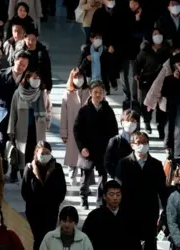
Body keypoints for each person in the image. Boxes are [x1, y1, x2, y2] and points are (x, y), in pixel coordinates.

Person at [115, 131, 167, 250]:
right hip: (129, 212)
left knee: (150, 243)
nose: (142, 145)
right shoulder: (124, 164)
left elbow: (163, 191)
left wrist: (165, 211)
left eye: (145, 142)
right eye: (138, 142)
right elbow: (118, 189)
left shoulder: (156, 165)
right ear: (132, 145)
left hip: (149, 212)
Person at [73, 80, 118, 208]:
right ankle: (84, 198)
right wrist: (82, 148)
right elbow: (77, 130)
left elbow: (114, 130)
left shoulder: (108, 110)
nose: (98, 95)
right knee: (85, 176)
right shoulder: (84, 110)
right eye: (95, 92)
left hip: (103, 149)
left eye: (100, 92)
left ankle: (100, 200)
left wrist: (111, 147)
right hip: (87, 149)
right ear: (90, 93)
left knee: (103, 176)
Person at [0, 51, 29, 178]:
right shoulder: (3, 74)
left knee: (18, 142)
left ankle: (14, 170)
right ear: (14, 61)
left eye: (24, 65)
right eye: (20, 63)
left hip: (20, 115)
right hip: (4, 112)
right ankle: (3, 162)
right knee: (1, 141)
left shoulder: (28, 78)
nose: (21, 67)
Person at [22, 141, 66, 250]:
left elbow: (62, 189)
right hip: (34, 211)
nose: (45, 156)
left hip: (51, 210)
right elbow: (25, 191)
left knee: (48, 237)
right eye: (42, 153)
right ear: (36, 153)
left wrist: (56, 202)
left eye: (47, 153)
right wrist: (33, 201)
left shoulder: (57, 168)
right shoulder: (29, 168)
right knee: (38, 238)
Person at [8, 69, 51, 173]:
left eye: (38, 78)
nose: (37, 80)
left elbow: (48, 109)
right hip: (22, 130)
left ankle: (35, 173)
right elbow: (13, 112)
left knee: (37, 153)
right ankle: (24, 174)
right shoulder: (18, 93)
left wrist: (47, 123)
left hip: (38, 130)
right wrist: (11, 130)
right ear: (27, 79)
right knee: (23, 155)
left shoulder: (42, 93)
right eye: (34, 78)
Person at [82, 180, 140, 250]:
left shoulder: (129, 216)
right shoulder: (95, 216)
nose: (115, 198)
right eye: (111, 195)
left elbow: (135, 241)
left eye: (118, 195)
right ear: (104, 196)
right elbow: (85, 239)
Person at [134, 28, 170, 133]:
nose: (157, 36)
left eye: (159, 34)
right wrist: (136, 74)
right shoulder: (145, 50)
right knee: (146, 103)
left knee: (161, 104)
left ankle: (161, 126)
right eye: (155, 34)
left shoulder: (166, 49)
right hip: (147, 80)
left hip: (162, 80)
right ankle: (147, 122)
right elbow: (137, 63)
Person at [60, 69, 90, 186]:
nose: (79, 79)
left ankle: (84, 179)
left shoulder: (89, 92)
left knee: (85, 155)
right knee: (72, 155)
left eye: (80, 76)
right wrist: (64, 133)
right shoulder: (67, 94)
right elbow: (63, 116)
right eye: (76, 77)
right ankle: (72, 175)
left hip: (86, 130)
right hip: (72, 131)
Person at [104, 109, 140, 179]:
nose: (130, 123)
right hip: (120, 177)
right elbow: (107, 161)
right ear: (122, 122)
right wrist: (114, 176)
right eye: (128, 120)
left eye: (133, 121)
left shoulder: (140, 139)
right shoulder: (115, 140)